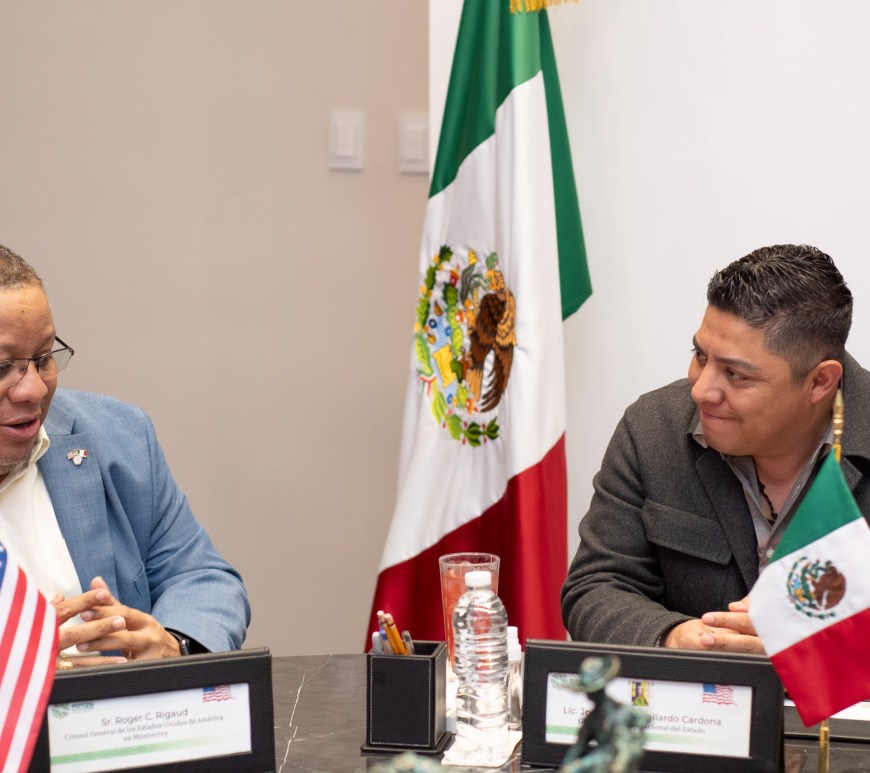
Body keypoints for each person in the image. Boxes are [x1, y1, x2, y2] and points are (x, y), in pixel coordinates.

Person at [561, 244, 866, 653]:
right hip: (690, 692)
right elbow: (596, 586)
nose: (702, 391)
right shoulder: (653, 428)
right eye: (700, 356)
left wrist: (815, 649)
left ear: (820, 382)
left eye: (736, 374)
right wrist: (672, 638)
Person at [0, 243, 250, 667]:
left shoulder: (119, 435)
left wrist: (174, 647)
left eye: (43, 359)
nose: (34, 390)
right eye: (1, 367)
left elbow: (201, 577)